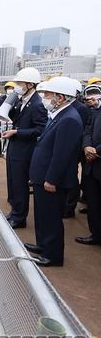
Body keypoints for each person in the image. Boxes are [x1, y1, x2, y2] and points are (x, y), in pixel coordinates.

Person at [23, 77, 83, 266]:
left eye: (48, 95)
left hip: (51, 179)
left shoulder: (69, 120)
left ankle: (53, 255)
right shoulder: (58, 115)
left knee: (51, 218)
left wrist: (52, 179)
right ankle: (44, 245)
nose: (45, 98)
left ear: (61, 97)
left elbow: (62, 155)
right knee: (42, 214)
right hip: (42, 176)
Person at [1, 68, 47, 229]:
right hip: (15, 148)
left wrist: (17, 132)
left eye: (20, 83)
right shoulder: (22, 100)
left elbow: (40, 129)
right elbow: (16, 118)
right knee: (12, 182)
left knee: (20, 184)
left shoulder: (37, 104)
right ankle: (14, 211)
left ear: (30, 84)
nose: (17, 87)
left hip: (25, 150)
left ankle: (20, 217)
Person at [77, 84, 101, 246]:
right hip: (92, 165)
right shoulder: (95, 112)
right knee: (94, 202)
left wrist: (96, 151)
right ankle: (96, 234)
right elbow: (87, 130)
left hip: (97, 158)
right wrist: (87, 147)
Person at [63, 79, 91, 218]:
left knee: (72, 178)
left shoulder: (81, 108)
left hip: (75, 149)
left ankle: (69, 207)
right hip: (68, 147)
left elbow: (83, 130)